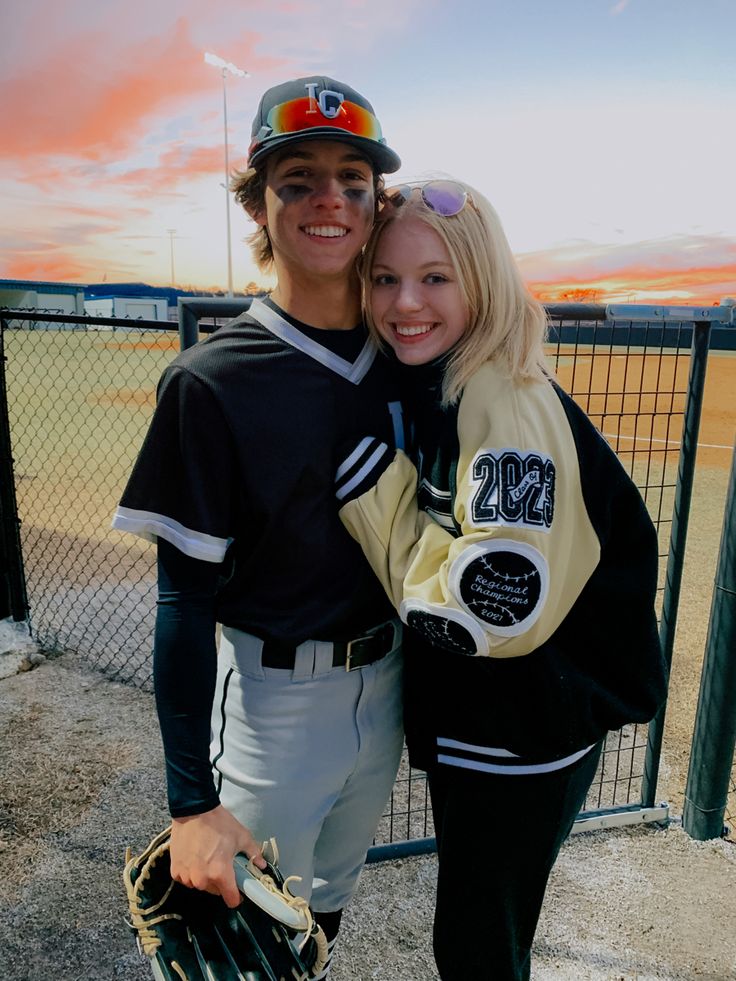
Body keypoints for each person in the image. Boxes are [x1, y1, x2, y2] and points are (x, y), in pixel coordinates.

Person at [335, 179, 669, 981]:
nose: (404, 301)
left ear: (483, 281)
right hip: (509, 724)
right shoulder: (455, 377)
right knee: (484, 935)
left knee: (479, 947)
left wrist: (373, 497)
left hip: (519, 730)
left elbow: (493, 609)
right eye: (384, 278)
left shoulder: (500, 393)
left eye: (435, 277)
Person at [112, 76, 406, 977]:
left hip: (388, 679)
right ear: (257, 201)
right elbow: (182, 597)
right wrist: (190, 803)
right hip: (277, 702)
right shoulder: (210, 380)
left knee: (319, 922)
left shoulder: (411, 351)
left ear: (374, 201)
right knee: (246, 946)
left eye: (353, 178)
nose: (330, 198)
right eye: (297, 177)